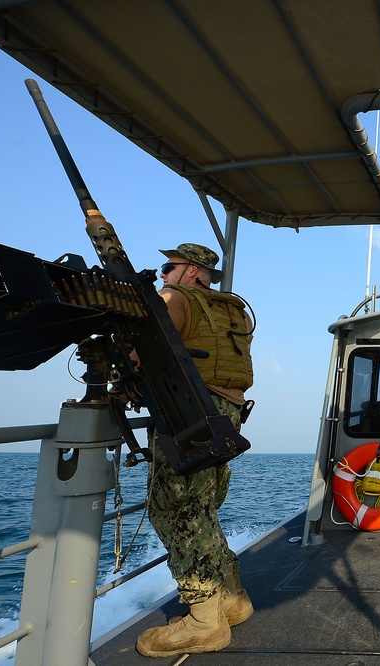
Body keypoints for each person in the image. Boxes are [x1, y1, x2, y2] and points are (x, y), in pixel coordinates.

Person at [136, 243, 254, 658]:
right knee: (202, 506)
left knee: (175, 509)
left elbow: (145, 352)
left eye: (169, 267)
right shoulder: (232, 309)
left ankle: (204, 620)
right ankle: (232, 596)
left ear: (190, 273)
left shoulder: (175, 298)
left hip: (190, 410)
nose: (163, 274)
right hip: (228, 414)